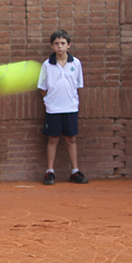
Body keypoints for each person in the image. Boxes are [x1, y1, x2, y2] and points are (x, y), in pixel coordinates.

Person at [37, 29, 88, 185]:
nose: (60, 46)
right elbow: (42, 87)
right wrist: (48, 101)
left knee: (71, 139)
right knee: (53, 139)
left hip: (71, 108)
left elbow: (78, 85)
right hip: (53, 109)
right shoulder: (47, 65)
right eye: (56, 44)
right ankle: (50, 171)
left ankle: (74, 171)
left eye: (63, 43)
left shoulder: (76, 63)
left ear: (69, 45)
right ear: (52, 46)